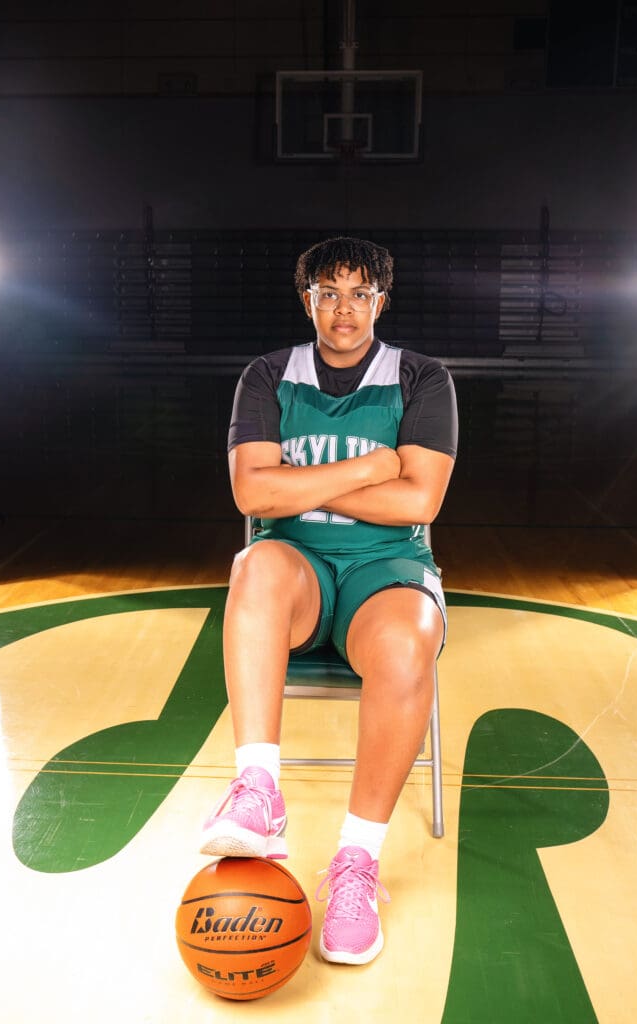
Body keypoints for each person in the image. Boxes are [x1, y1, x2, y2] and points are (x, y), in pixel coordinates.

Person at [200, 236, 458, 966]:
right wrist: (370, 466)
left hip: (386, 570)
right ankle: (258, 790)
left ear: (380, 299)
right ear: (306, 298)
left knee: (410, 637)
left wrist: (304, 479)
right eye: (327, 292)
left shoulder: (421, 377)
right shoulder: (266, 376)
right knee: (252, 563)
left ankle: (356, 863)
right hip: (297, 573)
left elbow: (422, 498)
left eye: (359, 293)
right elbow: (252, 493)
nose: (343, 310)